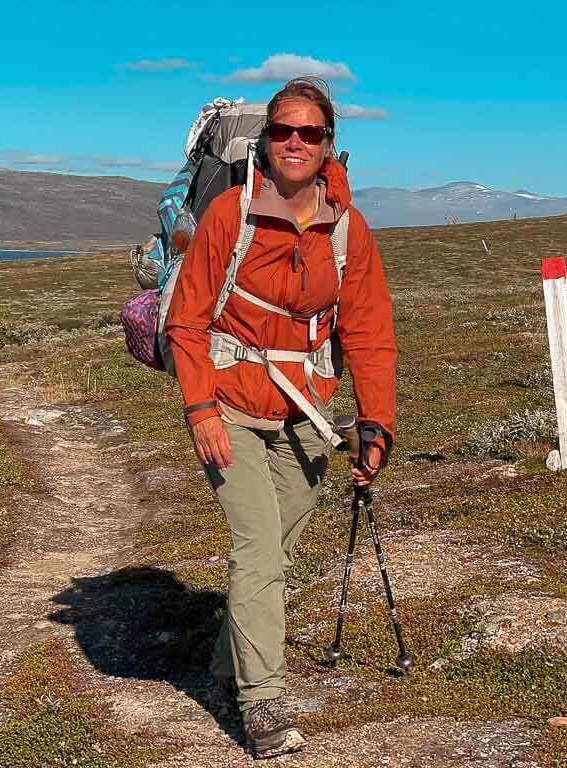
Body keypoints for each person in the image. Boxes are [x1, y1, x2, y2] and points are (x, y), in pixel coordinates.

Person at [164, 76, 396, 759]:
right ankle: (262, 701)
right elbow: (186, 320)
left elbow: (369, 331)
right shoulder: (229, 216)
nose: (295, 142)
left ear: (331, 147)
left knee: (279, 547)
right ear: (264, 142)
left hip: (308, 415)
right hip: (228, 404)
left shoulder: (349, 231)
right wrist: (200, 408)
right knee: (259, 549)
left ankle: (224, 657)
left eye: (310, 133)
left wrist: (374, 422)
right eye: (282, 131)